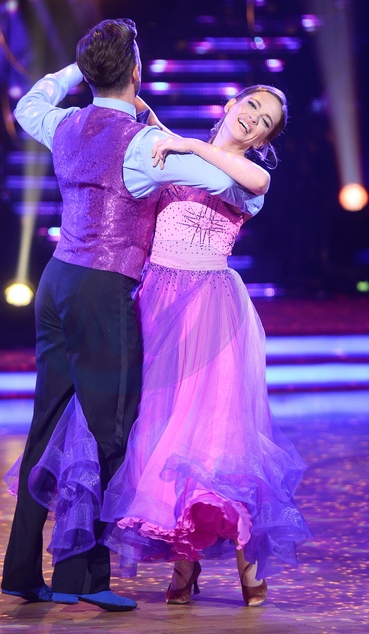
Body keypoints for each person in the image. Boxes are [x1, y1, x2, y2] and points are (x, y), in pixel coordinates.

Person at [1, 18, 265, 612]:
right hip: (102, 291)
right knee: (111, 433)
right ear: (137, 73)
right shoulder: (144, 145)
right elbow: (232, 184)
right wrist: (187, 144)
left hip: (55, 282)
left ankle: (21, 570)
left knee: (47, 428)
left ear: (90, 72)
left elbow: (28, 104)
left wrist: (76, 69)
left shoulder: (64, 121)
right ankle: (83, 577)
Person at [27, 83, 312, 608]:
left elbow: (253, 178)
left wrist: (188, 143)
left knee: (209, 436)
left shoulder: (247, 176)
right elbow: (156, 137)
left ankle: (244, 558)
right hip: (154, 300)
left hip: (209, 309)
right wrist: (143, 111)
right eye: (251, 105)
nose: (254, 118)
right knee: (155, 429)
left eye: (266, 121)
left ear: (265, 139)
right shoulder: (172, 151)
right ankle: (185, 558)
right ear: (231, 105)